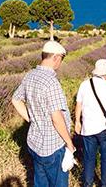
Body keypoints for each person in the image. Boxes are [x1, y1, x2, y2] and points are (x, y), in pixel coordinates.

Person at [12, 41, 75, 187]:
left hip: (35, 144)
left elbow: (15, 100)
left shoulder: (30, 75)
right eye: (61, 59)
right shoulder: (51, 82)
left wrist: (32, 119)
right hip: (53, 147)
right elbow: (57, 118)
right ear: (56, 58)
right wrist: (70, 144)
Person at [75, 59, 106, 187]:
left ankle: (87, 184)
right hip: (104, 128)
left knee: (88, 158)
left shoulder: (84, 84)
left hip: (87, 128)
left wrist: (77, 121)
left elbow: (79, 104)